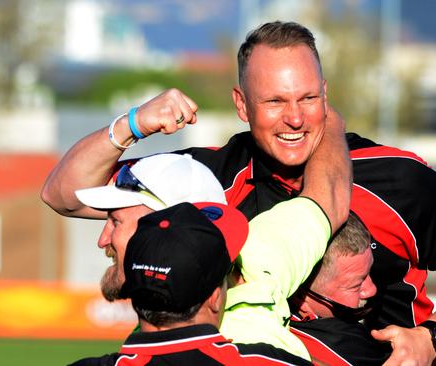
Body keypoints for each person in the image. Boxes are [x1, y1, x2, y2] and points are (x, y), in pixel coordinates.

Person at [42, 21, 436, 366]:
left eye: (307, 98)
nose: (295, 118)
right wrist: (134, 123)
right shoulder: (204, 180)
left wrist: (434, 336)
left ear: (326, 93)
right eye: (275, 102)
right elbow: (65, 193)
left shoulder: (401, 178)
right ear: (241, 104)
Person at [60, 109, 351, 362]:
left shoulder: (222, 342)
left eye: (116, 222)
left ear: (167, 228)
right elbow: (329, 191)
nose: (103, 239)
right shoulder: (263, 249)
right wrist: (319, 108)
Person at [289, 214, 392, 366]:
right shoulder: (346, 348)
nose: (371, 290)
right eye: (355, 285)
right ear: (301, 297)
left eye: (369, 272)